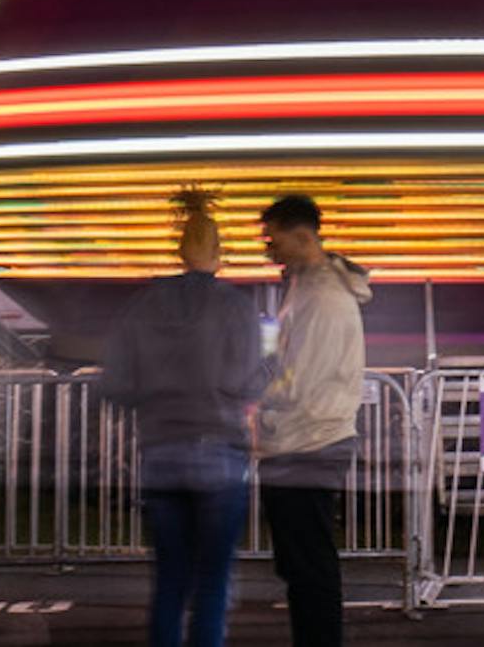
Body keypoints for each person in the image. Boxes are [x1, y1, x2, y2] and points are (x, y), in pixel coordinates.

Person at [101, 189, 261, 647]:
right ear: (219, 252)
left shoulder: (143, 304)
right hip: (219, 451)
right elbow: (249, 378)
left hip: (161, 451)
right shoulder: (236, 307)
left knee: (169, 580)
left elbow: (117, 382)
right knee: (212, 581)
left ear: (180, 249)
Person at [256, 194, 372, 647]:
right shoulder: (309, 287)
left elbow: (298, 380)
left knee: (308, 566)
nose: (268, 248)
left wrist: (256, 408)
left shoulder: (321, 297)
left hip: (306, 441)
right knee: (304, 564)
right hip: (308, 437)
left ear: (303, 236)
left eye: (274, 239)